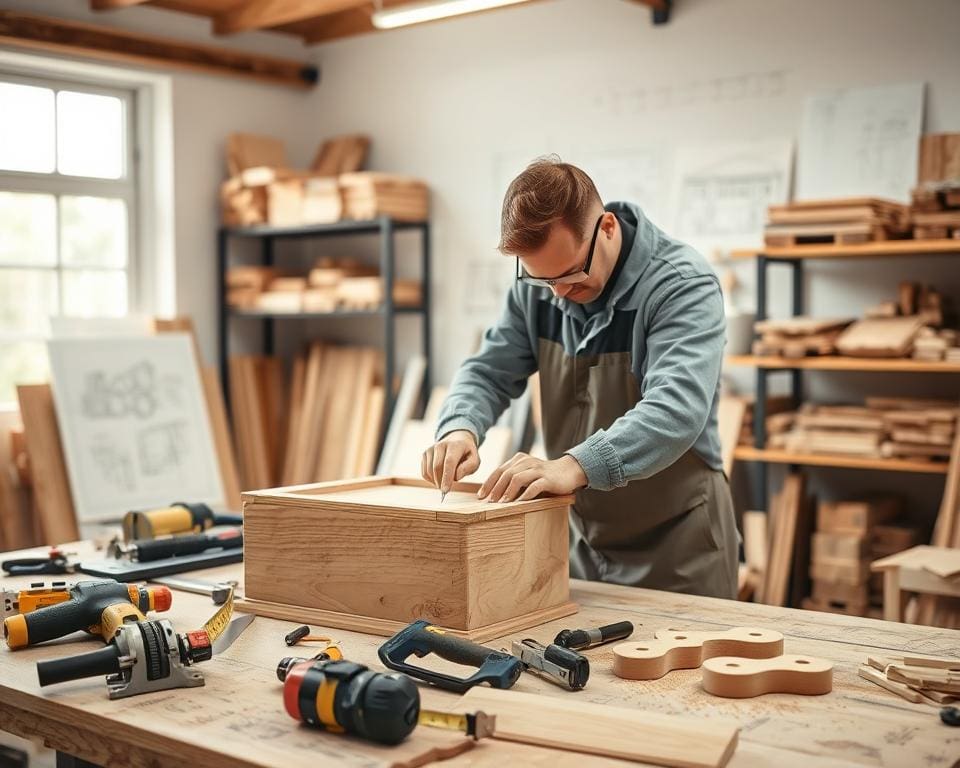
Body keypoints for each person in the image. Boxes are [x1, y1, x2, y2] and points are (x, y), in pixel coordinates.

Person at [421, 156, 738, 598]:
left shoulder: (682, 285)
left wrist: (573, 466)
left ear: (607, 227)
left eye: (571, 275)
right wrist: (459, 427)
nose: (558, 294)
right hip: (581, 547)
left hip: (678, 548)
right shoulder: (543, 287)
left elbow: (676, 409)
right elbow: (488, 370)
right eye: (541, 280)